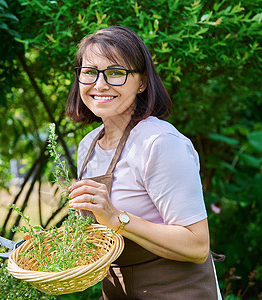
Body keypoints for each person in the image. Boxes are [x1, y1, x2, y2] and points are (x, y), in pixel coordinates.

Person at [66, 26, 222, 299]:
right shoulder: (87, 146)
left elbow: (197, 246)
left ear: (142, 82)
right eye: (89, 72)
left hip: (177, 290)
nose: (100, 84)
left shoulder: (160, 143)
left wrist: (117, 218)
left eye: (116, 72)